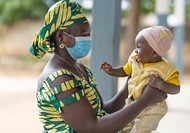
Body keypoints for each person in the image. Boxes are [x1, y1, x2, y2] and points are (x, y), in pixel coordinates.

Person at [30, 0, 167, 132]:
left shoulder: (80, 69)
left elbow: (101, 111)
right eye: (83, 34)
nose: (88, 38)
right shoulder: (59, 79)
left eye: (89, 33)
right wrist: (145, 100)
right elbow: (92, 128)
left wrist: (131, 82)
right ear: (61, 37)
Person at [100, 26, 181, 133]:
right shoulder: (135, 60)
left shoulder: (166, 69)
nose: (135, 51)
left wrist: (160, 84)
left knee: (140, 129)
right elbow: (125, 71)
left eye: (139, 47)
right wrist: (112, 71)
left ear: (154, 53)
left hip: (153, 108)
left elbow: (176, 88)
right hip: (132, 102)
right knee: (125, 128)